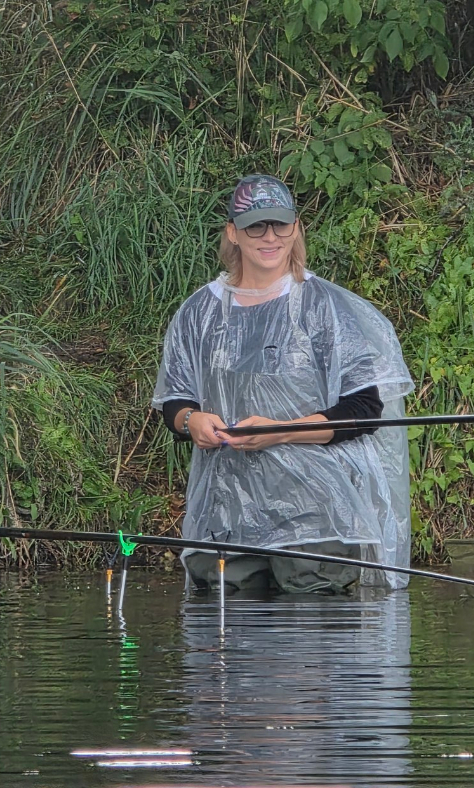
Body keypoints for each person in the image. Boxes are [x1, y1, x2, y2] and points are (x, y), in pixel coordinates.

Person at [151, 174, 413, 594]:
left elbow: (364, 411)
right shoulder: (198, 312)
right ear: (233, 233)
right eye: (256, 225)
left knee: (310, 630)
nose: (269, 236)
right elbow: (174, 400)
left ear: (296, 228)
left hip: (316, 510)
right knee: (226, 618)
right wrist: (191, 420)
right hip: (226, 509)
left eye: (280, 224)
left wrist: (281, 432)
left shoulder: (329, 307)